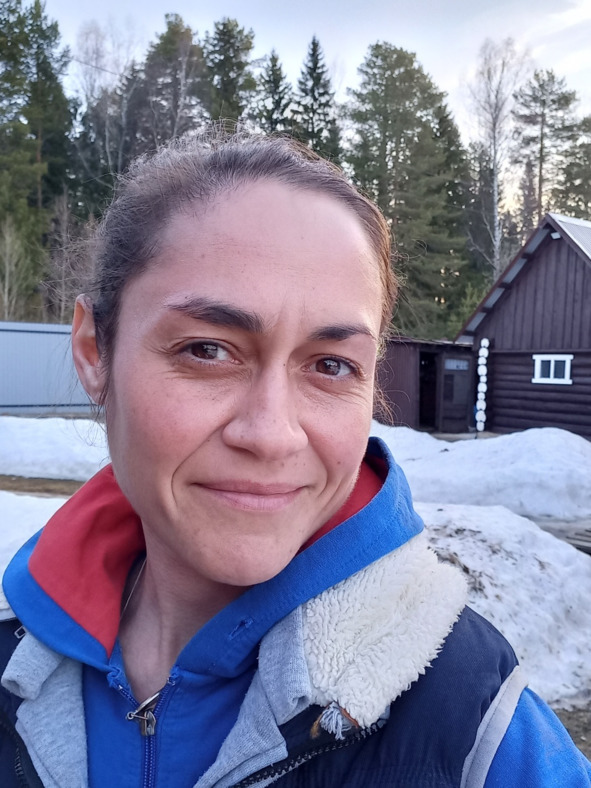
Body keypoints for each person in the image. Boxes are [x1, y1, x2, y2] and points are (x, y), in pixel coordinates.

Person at [1, 131, 590, 788]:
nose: (272, 434)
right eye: (207, 350)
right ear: (93, 350)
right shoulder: (12, 659)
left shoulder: (475, 728)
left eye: (331, 365)